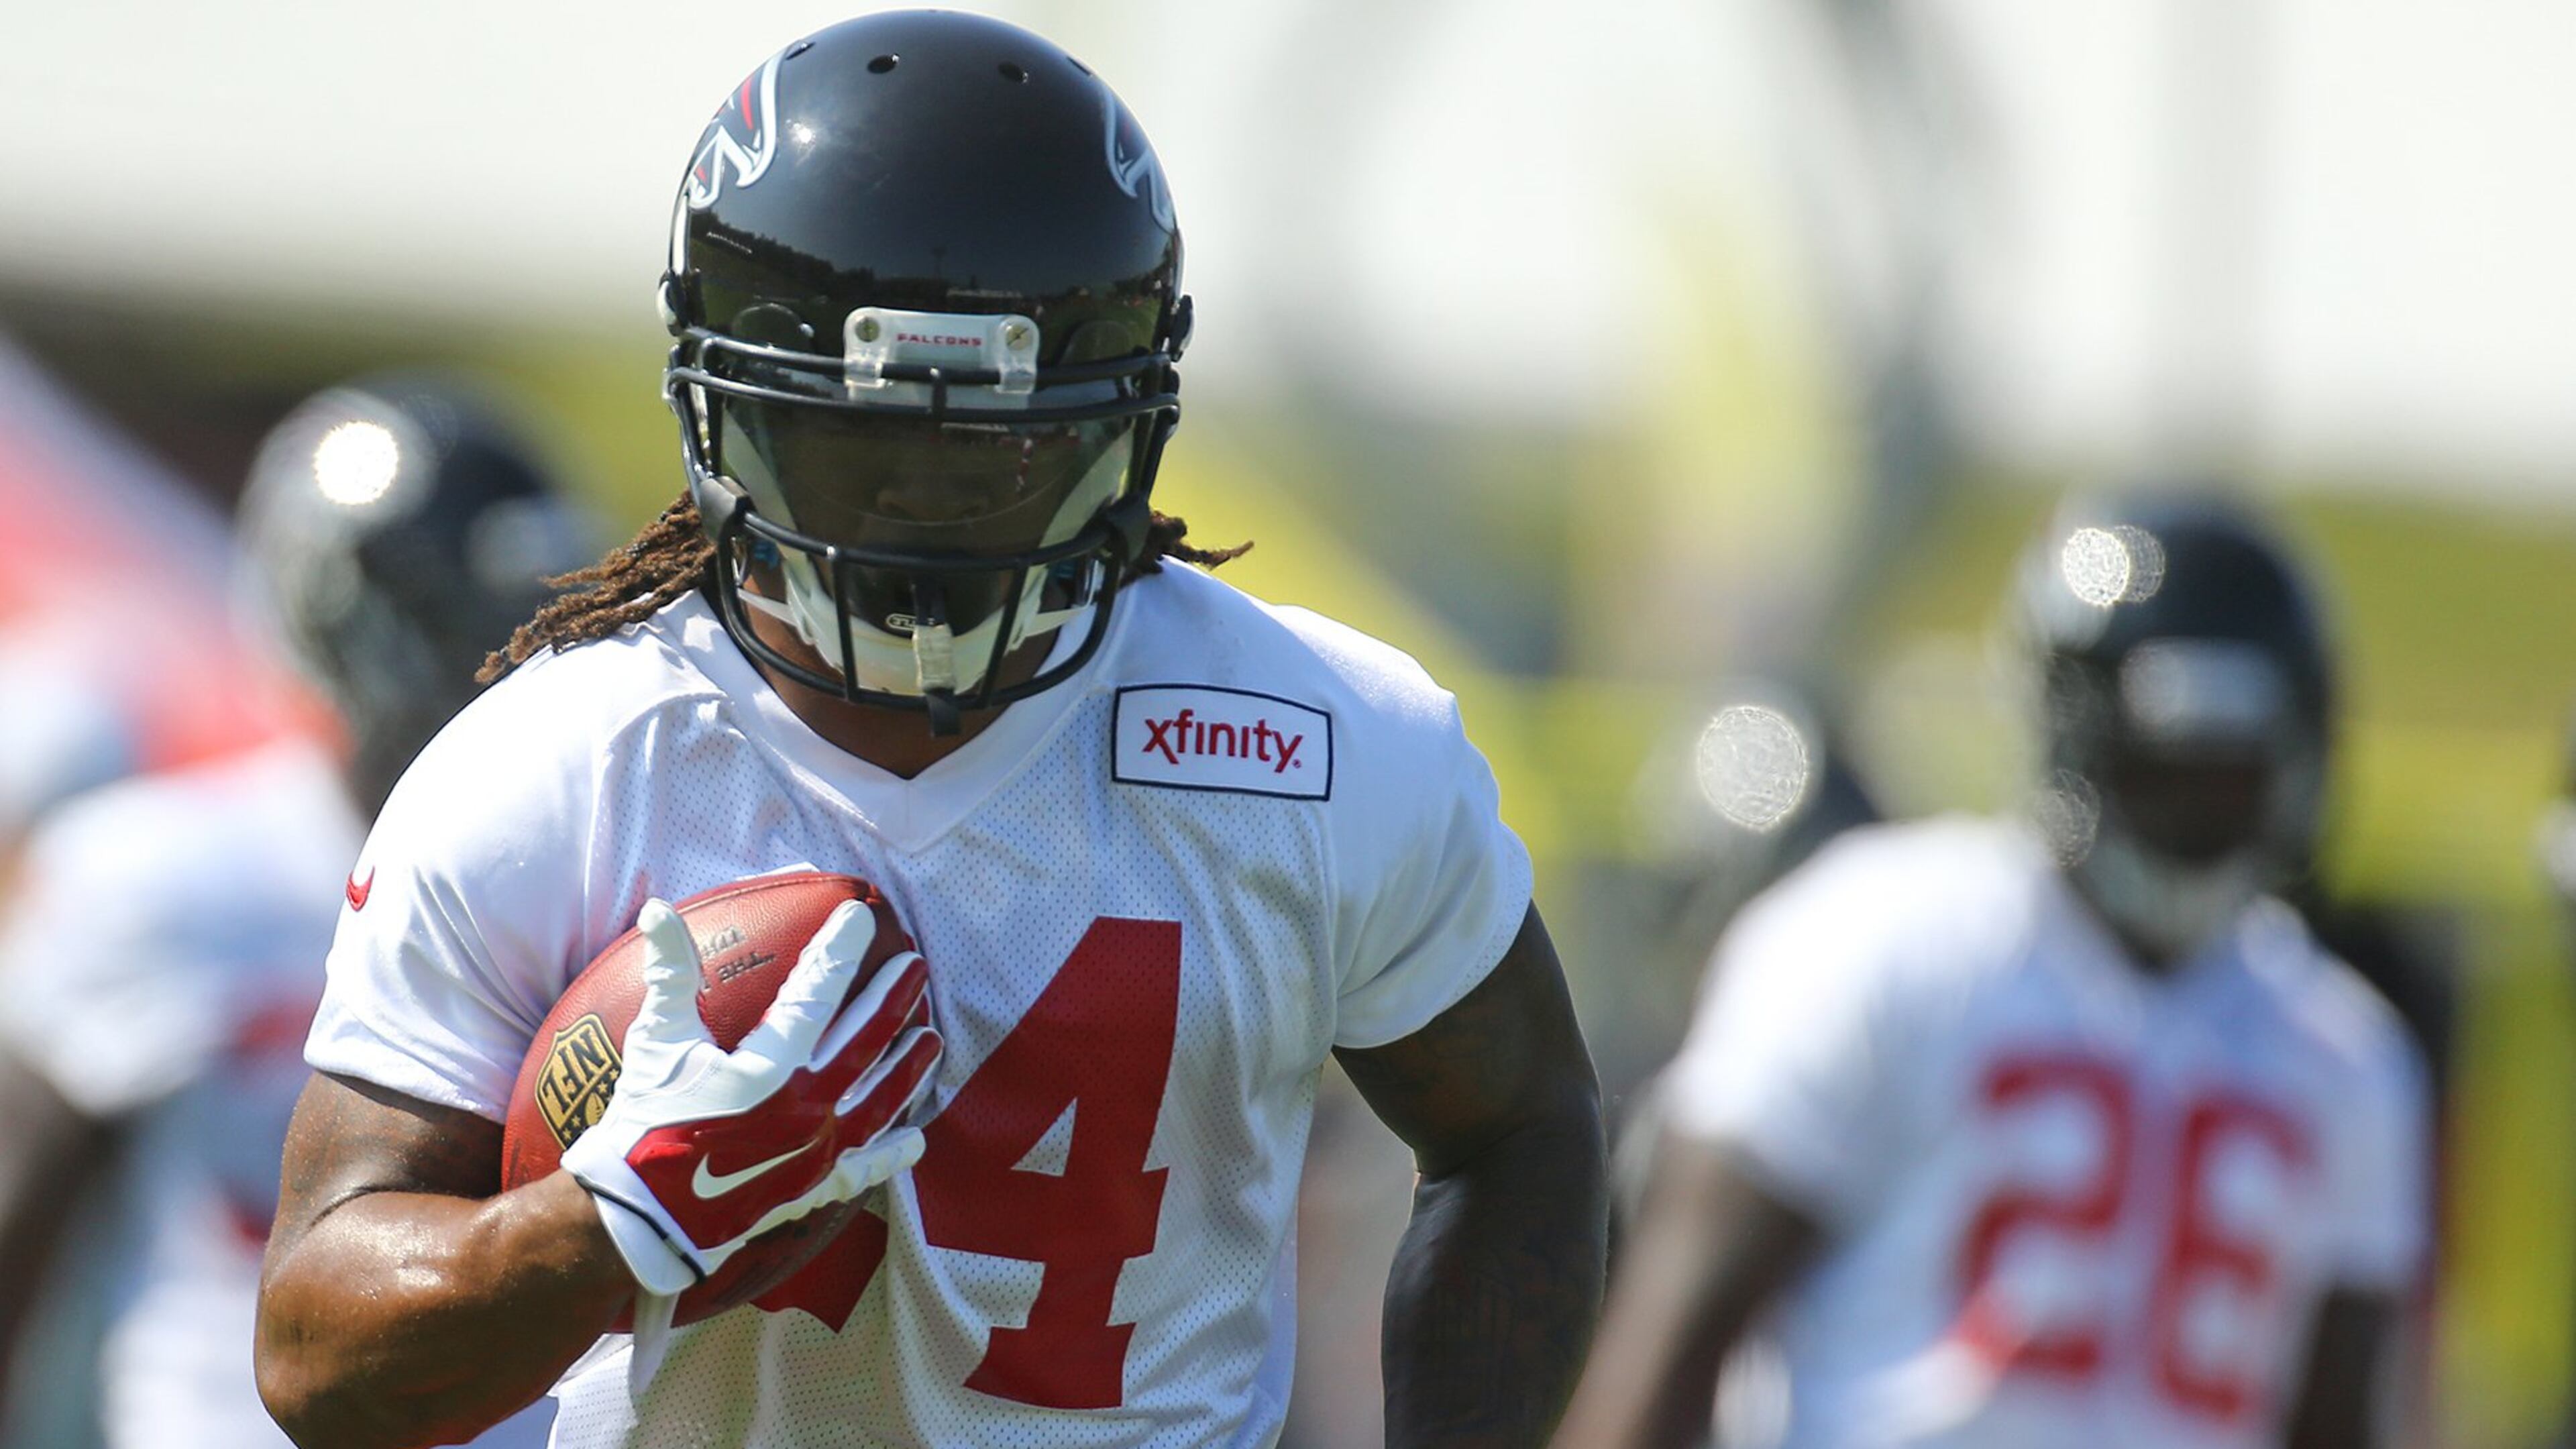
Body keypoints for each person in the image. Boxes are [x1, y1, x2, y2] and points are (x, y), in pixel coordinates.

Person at [252, 13, 1607, 1449]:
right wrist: (612, 1223)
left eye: (998, 447)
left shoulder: (1323, 741)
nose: (925, 505)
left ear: (1128, 425)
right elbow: (315, 1355)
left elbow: (1523, 1129)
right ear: (724, 410)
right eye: (866, 439)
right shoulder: (559, 766)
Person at [1554, 495, 2428, 1449]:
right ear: (2080, 730)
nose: (2201, 802)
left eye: (2234, 766)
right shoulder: (1878, 941)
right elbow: (1671, 1345)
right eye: (2170, 762)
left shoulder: (2345, 1055)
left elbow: (2337, 1422)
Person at [0, 375, 592, 1449]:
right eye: (449, 614)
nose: (493, 647)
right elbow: (17, 1201)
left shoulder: (595, 873)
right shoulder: (165, 876)